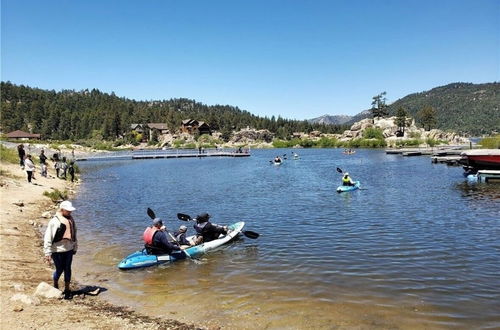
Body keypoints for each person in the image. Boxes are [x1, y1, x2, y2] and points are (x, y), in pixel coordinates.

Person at [43, 201, 78, 300]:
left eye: (70, 211)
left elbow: (74, 235)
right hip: (57, 250)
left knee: (68, 268)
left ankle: (67, 289)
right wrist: (47, 252)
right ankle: (55, 284)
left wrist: (75, 247)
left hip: (69, 249)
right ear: (62, 209)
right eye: (68, 211)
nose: (70, 212)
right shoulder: (55, 221)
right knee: (59, 269)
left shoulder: (71, 220)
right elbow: (48, 237)